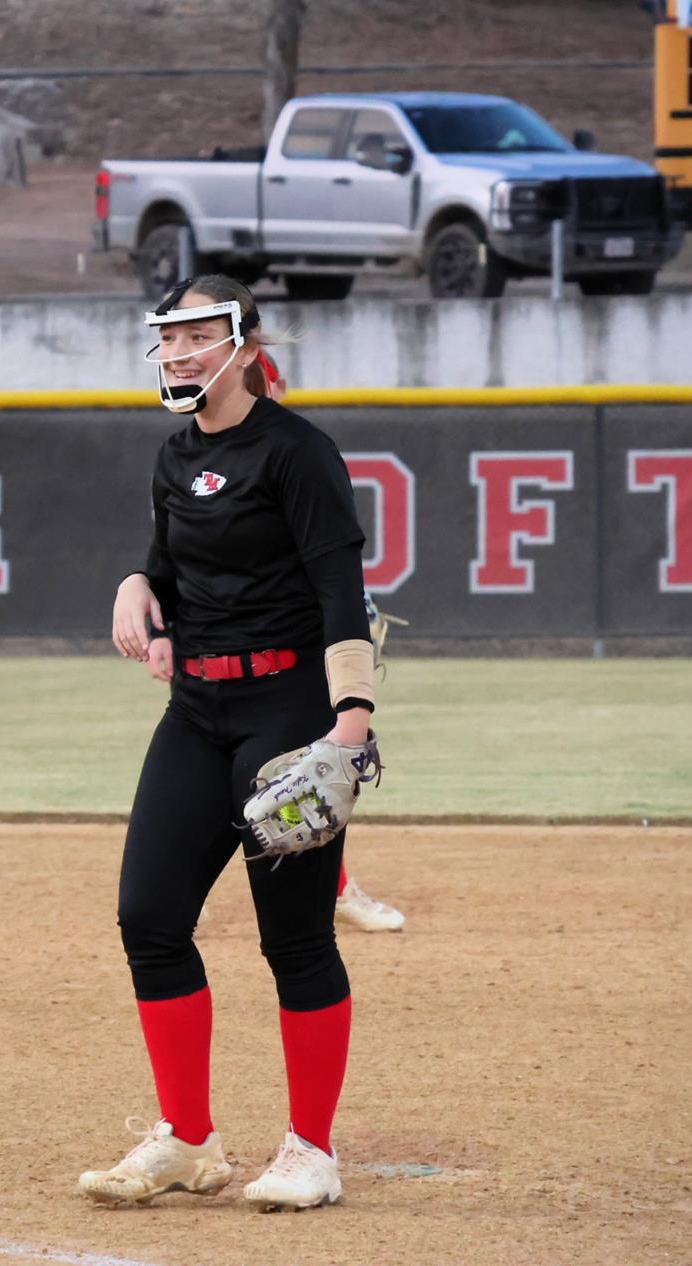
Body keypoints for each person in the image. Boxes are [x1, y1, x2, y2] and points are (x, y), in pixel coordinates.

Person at [80, 275, 374, 1213]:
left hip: (288, 711)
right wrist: (135, 582)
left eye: (198, 336)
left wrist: (351, 723)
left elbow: (341, 588)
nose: (178, 355)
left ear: (244, 345)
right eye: (168, 340)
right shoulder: (175, 457)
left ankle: (312, 1152)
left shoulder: (297, 452)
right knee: (149, 917)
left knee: (294, 938)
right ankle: (188, 1142)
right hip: (198, 715)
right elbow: (169, 566)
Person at [260, 350, 405, 933]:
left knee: (308, 774)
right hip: (232, 659)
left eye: (261, 381)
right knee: (268, 783)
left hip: (297, 658)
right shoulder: (205, 464)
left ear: (279, 385)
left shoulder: (299, 457)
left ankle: (334, 888)